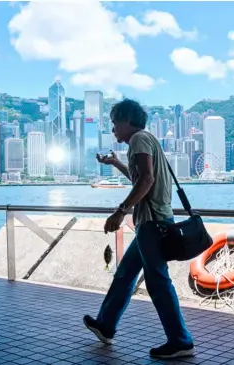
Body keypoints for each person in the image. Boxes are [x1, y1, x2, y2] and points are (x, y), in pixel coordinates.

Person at [83, 99, 195, 359]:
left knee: (158, 282)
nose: (113, 130)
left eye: (114, 124)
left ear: (126, 121)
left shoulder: (138, 140)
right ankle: (106, 325)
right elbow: (142, 179)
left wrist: (120, 211)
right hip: (150, 222)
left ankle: (181, 341)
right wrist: (118, 164)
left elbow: (147, 179)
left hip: (152, 225)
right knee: (124, 275)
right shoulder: (147, 139)